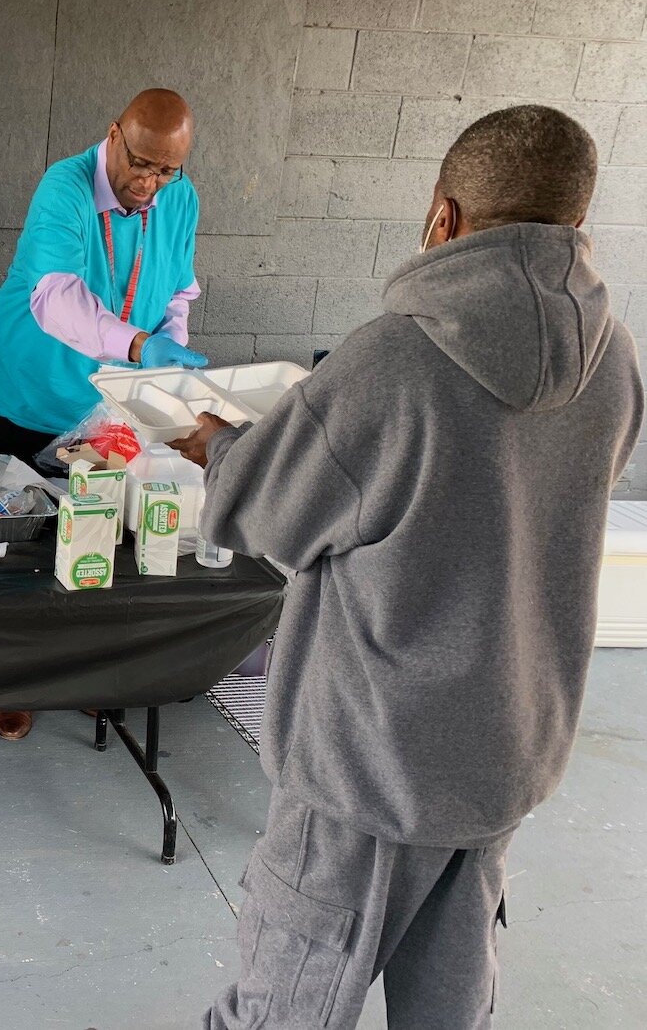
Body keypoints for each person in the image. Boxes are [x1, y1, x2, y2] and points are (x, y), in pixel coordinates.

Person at [171, 106, 643, 1028]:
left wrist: (216, 444)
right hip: (504, 751)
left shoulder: (396, 359)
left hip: (369, 766)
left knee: (283, 1009)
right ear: (575, 222)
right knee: (449, 1009)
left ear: (444, 216)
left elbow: (268, 511)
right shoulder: (614, 358)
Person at [0, 88, 208, 742]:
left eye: (167, 170)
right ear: (112, 136)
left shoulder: (176, 197)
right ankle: (9, 683)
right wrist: (137, 343)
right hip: (21, 396)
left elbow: (177, 287)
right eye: (141, 164)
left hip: (107, 406)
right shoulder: (65, 187)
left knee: (93, 549)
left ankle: (79, 678)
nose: (149, 183)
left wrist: (168, 343)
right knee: (10, 557)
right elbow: (54, 299)